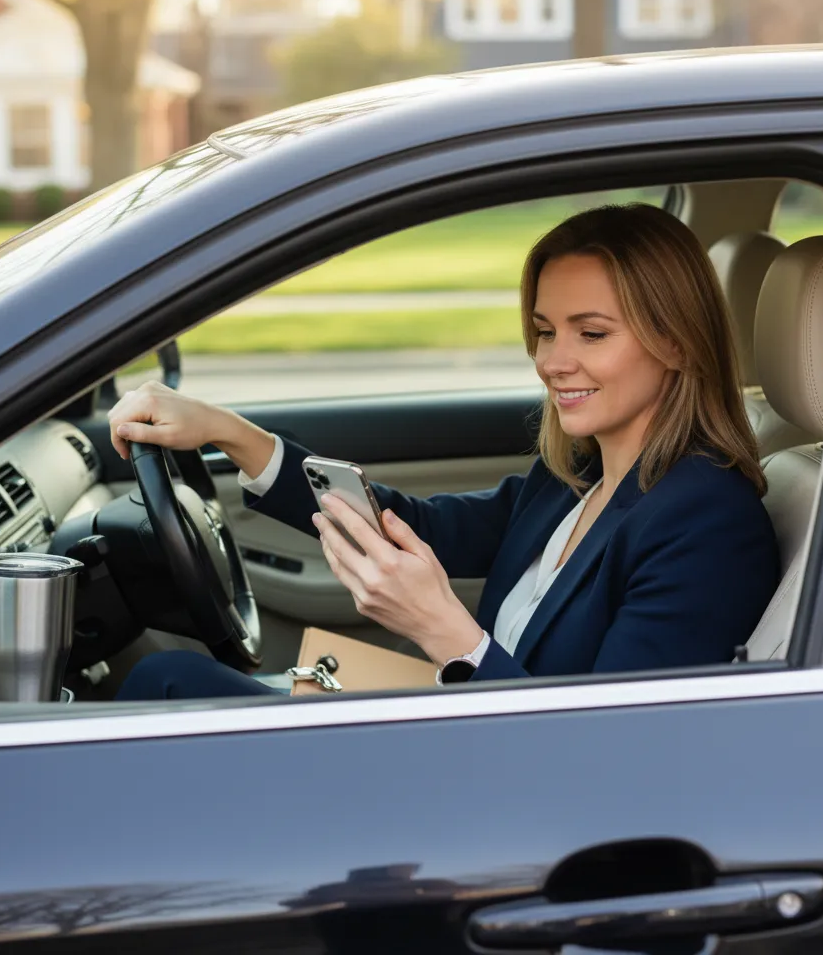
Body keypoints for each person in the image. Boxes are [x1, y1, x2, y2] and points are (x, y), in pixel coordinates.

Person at [109, 203, 780, 700]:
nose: (553, 361)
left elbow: (602, 754)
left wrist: (442, 630)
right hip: (463, 726)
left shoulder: (709, 524)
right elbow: (417, 528)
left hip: (500, 792)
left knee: (167, 683)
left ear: (677, 341)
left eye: (592, 333)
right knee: (171, 680)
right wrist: (229, 432)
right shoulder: (576, 475)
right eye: (545, 332)